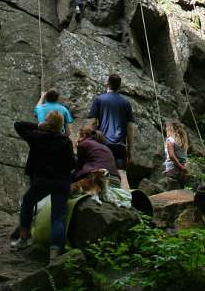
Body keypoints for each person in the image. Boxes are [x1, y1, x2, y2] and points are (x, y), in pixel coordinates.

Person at [12, 111, 76, 260]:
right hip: (62, 182)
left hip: (42, 180)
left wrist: (40, 126)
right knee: (58, 216)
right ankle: (54, 253)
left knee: (27, 202)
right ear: (61, 125)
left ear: (46, 122)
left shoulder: (37, 137)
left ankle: (23, 239)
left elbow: (19, 125)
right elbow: (72, 164)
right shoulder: (66, 141)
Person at [88, 74, 134, 190]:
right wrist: (130, 149)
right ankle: (126, 200)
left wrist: (91, 142)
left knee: (101, 173)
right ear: (119, 86)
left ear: (107, 83)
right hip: (120, 144)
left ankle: (102, 202)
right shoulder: (126, 103)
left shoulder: (99, 99)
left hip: (103, 144)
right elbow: (130, 128)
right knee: (122, 175)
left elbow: (93, 123)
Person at [162, 120, 190, 188]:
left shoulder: (170, 140)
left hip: (173, 169)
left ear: (170, 129)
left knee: (172, 190)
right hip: (181, 169)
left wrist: (182, 168)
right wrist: (183, 168)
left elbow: (171, 156)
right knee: (180, 189)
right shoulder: (182, 141)